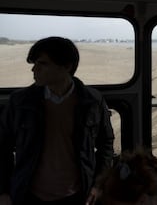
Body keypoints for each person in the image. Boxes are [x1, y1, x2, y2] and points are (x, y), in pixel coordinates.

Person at [0, 36, 114, 205]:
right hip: (28, 194)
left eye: (42, 64)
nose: (34, 70)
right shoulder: (20, 102)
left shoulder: (92, 101)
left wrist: (98, 185)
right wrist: (3, 191)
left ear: (67, 66)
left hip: (77, 195)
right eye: (34, 64)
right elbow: (2, 147)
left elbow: (106, 144)